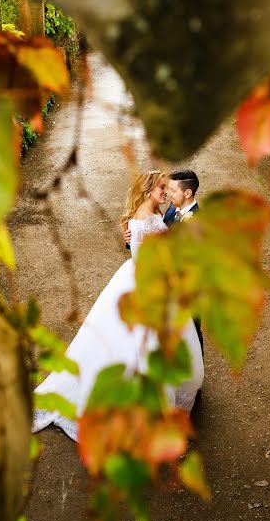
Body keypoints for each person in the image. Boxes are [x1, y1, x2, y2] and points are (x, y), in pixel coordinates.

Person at [32, 170, 204, 441]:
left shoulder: (165, 215)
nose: (167, 193)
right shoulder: (151, 219)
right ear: (149, 192)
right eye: (162, 188)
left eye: (169, 189)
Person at [124, 169, 203, 349]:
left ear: (187, 193)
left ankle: (198, 366)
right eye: (166, 188)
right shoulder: (170, 211)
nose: (168, 193)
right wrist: (131, 239)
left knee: (193, 332)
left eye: (173, 190)